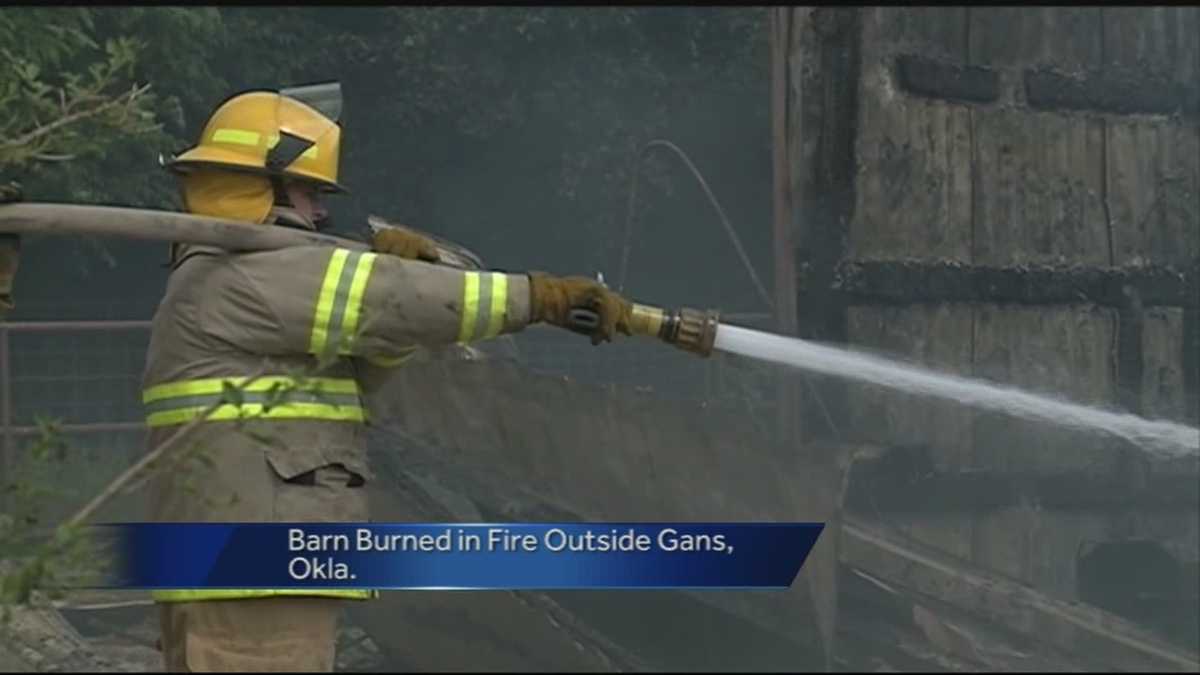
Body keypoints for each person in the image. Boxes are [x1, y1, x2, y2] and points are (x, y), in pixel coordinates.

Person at [147, 82, 632, 672]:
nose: (321, 211)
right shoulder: (252, 275)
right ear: (256, 188)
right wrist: (543, 298)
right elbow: (396, 298)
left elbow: (363, 365)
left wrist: (397, 314)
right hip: (258, 560)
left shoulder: (227, 282)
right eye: (307, 191)